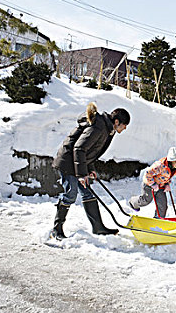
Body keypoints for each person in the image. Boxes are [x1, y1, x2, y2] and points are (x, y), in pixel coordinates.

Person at [49, 102, 130, 240]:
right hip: (68, 162)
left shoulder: (107, 129)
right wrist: (81, 174)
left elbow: (90, 151)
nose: (125, 128)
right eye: (124, 124)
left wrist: (89, 169)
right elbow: (79, 149)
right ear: (117, 121)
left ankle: (98, 227)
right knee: (70, 194)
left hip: (77, 162)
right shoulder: (99, 127)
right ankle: (56, 230)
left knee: (88, 192)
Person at [128, 147, 176, 218]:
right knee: (146, 200)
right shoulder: (160, 165)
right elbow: (148, 173)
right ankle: (133, 202)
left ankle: (158, 220)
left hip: (160, 186)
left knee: (163, 205)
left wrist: (166, 184)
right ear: (170, 160)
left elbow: (166, 176)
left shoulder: (173, 168)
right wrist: (153, 184)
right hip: (148, 185)